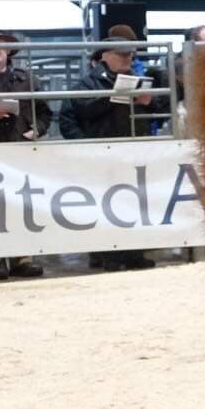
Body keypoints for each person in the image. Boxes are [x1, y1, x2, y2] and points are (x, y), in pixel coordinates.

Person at [60, 24, 158, 270]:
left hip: (130, 150)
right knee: (106, 204)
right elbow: (81, 109)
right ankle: (109, 255)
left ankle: (134, 253)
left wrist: (147, 103)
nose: (128, 58)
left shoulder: (135, 80)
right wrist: (117, 96)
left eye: (130, 55)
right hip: (102, 151)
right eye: (122, 54)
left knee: (133, 201)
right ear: (105, 56)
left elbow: (155, 111)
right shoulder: (87, 83)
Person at [0, 28, 54, 279]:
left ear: (8, 50)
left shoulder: (26, 79)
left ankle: (21, 258)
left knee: (21, 204)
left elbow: (45, 112)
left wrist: (37, 129)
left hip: (19, 150)